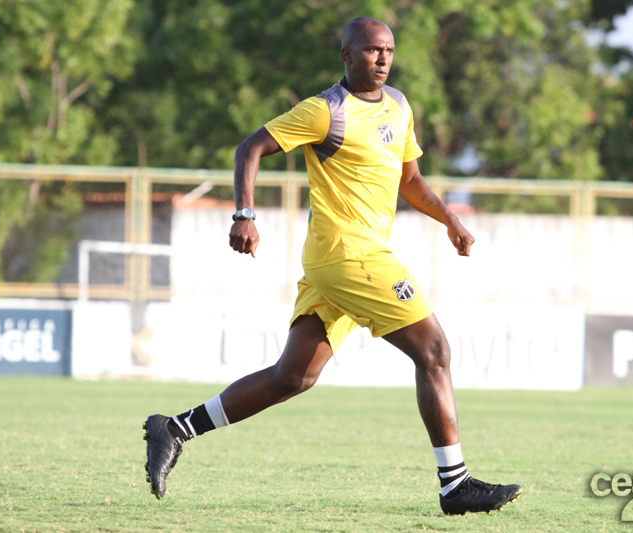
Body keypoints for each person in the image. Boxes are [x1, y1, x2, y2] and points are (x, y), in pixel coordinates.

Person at [144, 16, 523, 516]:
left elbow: (410, 181)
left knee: (292, 377)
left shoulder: (400, 106)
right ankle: (455, 485)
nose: (382, 58)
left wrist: (449, 218)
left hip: (341, 262)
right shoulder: (326, 111)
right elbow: (250, 147)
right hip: (351, 256)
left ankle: (174, 429)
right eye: (371, 50)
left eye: (388, 50)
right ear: (347, 56)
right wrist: (244, 214)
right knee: (434, 351)